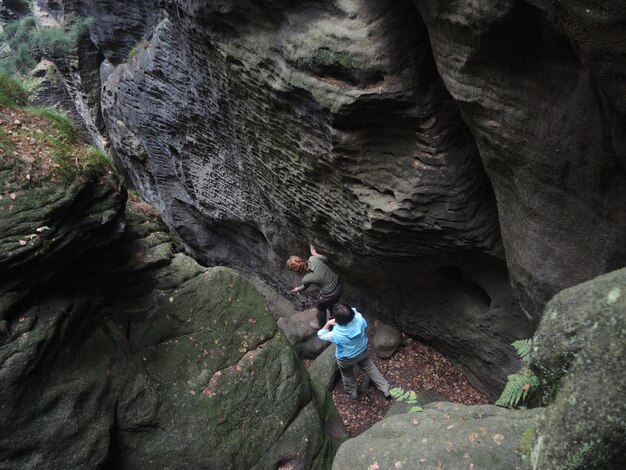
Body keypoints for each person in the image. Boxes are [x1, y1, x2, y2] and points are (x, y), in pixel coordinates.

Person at [318, 302, 391, 399]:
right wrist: (347, 311)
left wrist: (328, 323)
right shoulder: (360, 320)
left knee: (347, 374)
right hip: (362, 351)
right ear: (351, 314)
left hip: (346, 358)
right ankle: (385, 388)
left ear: (336, 320)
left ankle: (352, 392)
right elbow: (355, 311)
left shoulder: (336, 334)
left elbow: (321, 335)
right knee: (369, 367)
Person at [286, 244, 343, 330]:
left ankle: (321, 325)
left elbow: (304, 287)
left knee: (320, 307)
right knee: (332, 303)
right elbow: (326, 259)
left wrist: (298, 289)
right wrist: (314, 252)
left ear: (296, 271)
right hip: (338, 284)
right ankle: (333, 317)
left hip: (330, 293)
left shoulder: (306, 279)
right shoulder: (313, 258)